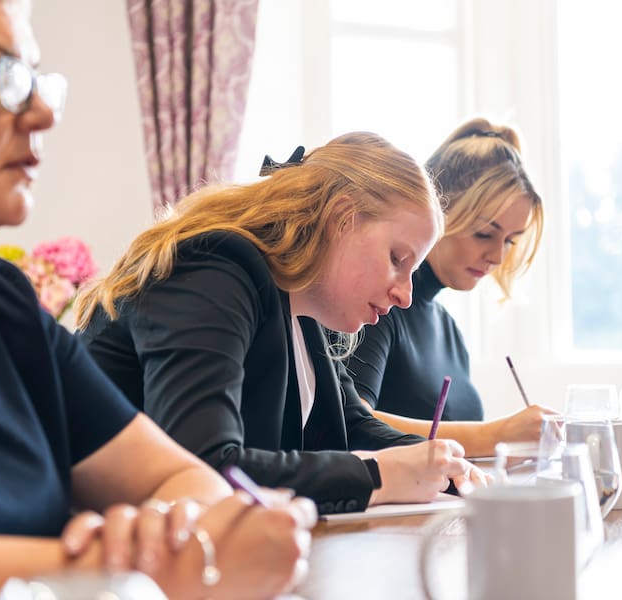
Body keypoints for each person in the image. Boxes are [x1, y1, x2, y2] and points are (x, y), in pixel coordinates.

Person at [0, 1, 314, 598]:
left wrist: (165, 537)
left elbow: (185, 478)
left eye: (36, 81)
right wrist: (135, 569)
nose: (41, 113)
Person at [75, 133, 486, 515]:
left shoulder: (299, 301)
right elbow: (206, 466)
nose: (406, 295)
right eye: (397, 259)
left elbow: (352, 426)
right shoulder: (214, 269)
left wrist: (441, 463)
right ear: (341, 218)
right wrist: (379, 477)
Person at [346, 118, 554, 457]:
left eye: (511, 242)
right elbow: (350, 424)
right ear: (440, 212)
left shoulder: (448, 330)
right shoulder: (378, 308)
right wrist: (493, 435)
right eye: (485, 233)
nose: (497, 256)